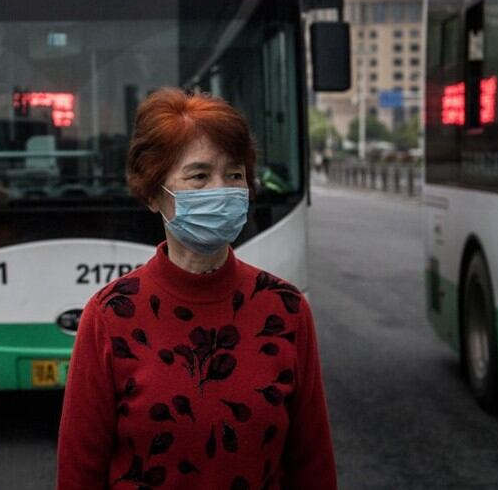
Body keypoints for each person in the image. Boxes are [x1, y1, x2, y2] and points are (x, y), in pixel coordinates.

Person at [57, 88, 336, 490]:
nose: (220, 192)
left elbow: (313, 463)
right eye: (199, 176)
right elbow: (79, 470)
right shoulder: (111, 315)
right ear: (155, 194)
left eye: (234, 175)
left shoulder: (285, 309)